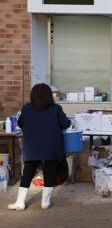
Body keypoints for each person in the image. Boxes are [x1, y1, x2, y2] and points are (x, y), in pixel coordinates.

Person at [8, 83, 71, 211]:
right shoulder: (56, 108)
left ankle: (20, 202)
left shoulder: (26, 109)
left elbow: (20, 123)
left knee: (28, 173)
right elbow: (65, 124)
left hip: (32, 148)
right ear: (49, 96)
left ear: (33, 95)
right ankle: (45, 202)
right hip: (52, 147)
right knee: (50, 172)